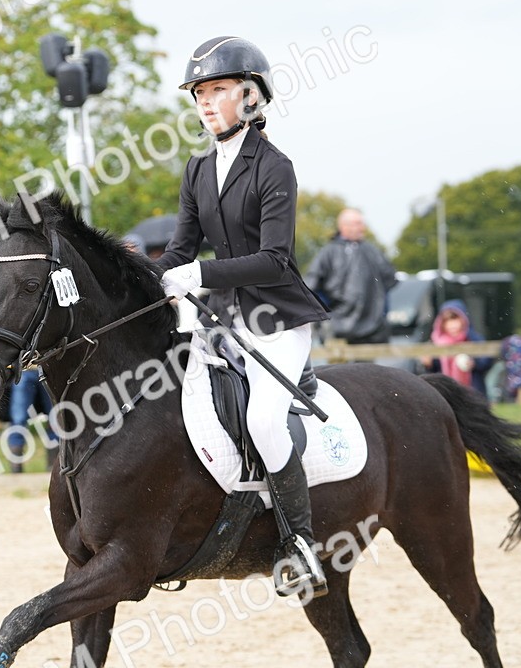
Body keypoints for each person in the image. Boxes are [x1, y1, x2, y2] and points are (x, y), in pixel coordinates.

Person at [157, 35, 330, 597]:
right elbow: (180, 251)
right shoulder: (197, 170)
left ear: (251, 98)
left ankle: (299, 542)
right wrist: (147, 279)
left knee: (261, 420)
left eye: (218, 90)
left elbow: (275, 259)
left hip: (276, 320)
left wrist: (201, 276)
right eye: (200, 93)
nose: (206, 103)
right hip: (221, 321)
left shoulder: (275, 168)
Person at [304, 208, 398, 345]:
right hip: (337, 328)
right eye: (357, 223)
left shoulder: (372, 251)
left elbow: (389, 280)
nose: (362, 228)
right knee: (338, 366)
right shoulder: (328, 252)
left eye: (362, 223)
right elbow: (311, 286)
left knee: (368, 367)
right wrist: (326, 313)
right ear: (344, 226)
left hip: (373, 330)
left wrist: (381, 313)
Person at [421, 300, 493, 398]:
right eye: (447, 321)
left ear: (464, 319)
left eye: (455, 319)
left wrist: (474, 363)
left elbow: (486, 361)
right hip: (445, 393)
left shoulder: (473, 339)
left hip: (472, 392)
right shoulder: (436, 343)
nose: (452, 324)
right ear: (441, 323)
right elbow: (433, 370)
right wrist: (429, 363)